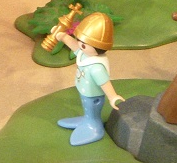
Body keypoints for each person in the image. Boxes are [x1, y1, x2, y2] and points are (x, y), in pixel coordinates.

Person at [50, 11, 125, 146]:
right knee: (87, 107)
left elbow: (105, 83)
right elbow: (74, 46)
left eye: (83, 44)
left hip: (93, 96)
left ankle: (93, 125)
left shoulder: (97, 68)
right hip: (84, 91)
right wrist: (63, 36)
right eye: (79, 41)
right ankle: (87, 119)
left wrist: (113, 97)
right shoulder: (85, 53)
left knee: (91, 108)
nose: (79, 45)